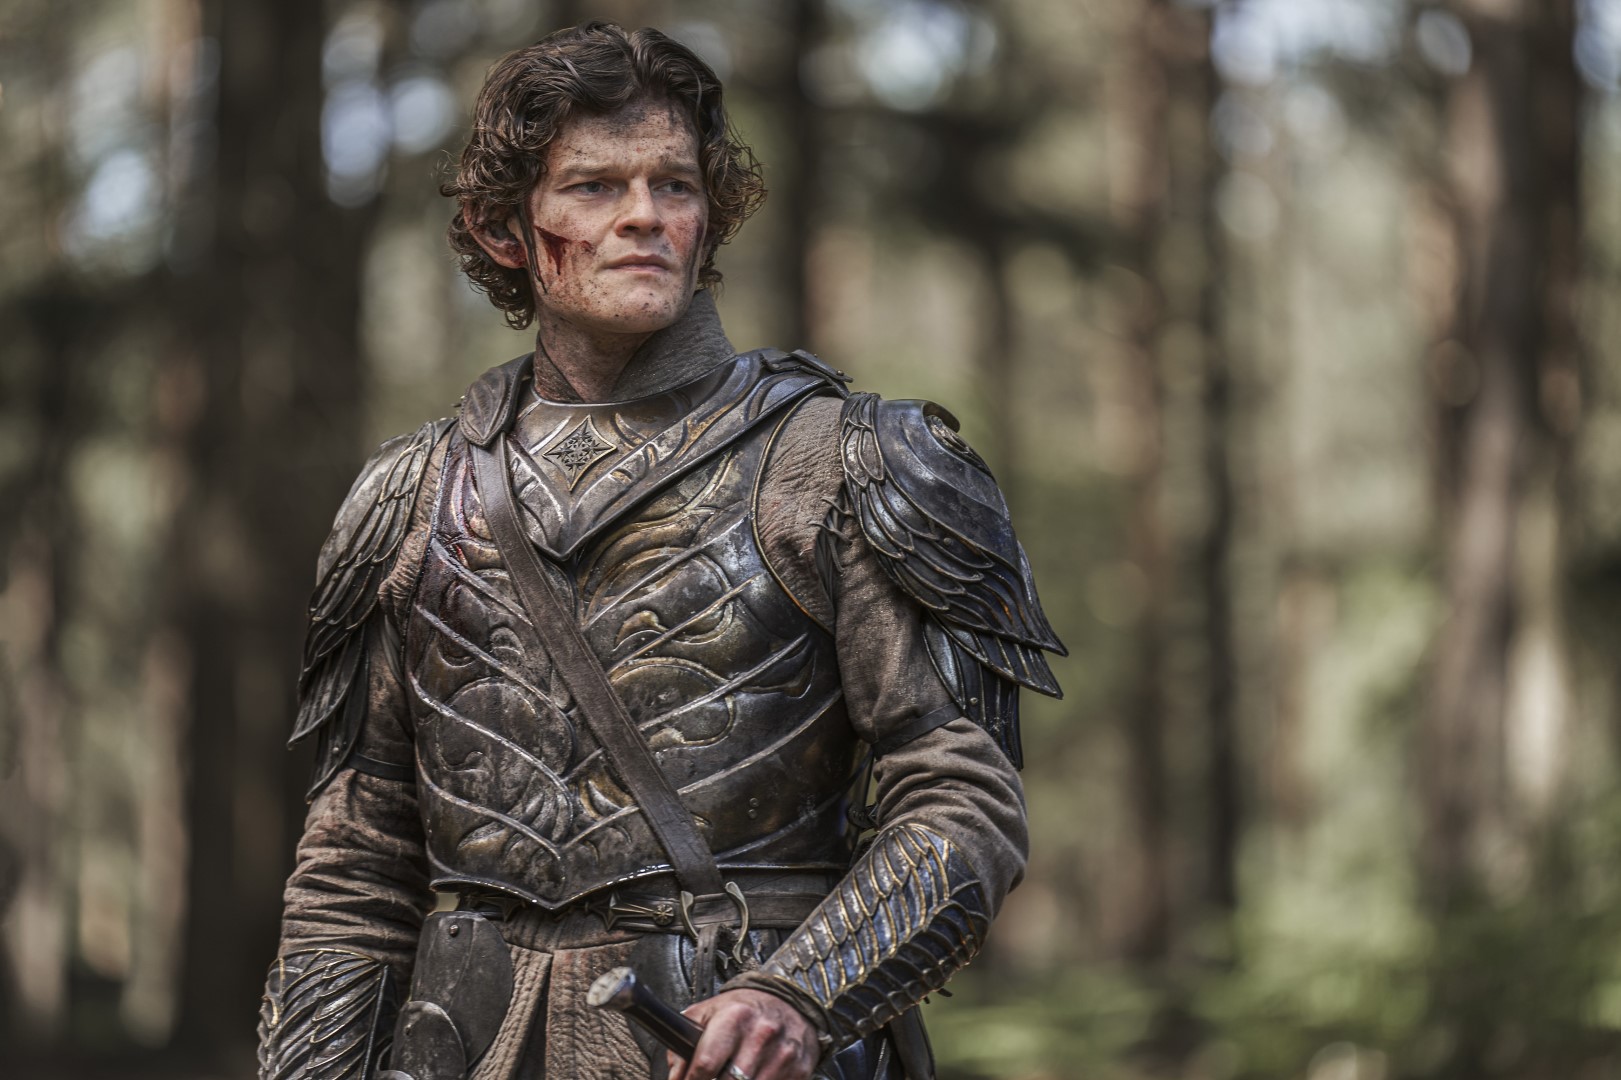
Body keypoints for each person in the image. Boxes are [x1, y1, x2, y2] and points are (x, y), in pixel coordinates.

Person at [256, 21, 1063, 1080]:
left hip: (739, 1056)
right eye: (594, 186)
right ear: (503, 229)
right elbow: (354, 871)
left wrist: (800, 993)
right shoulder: (410, 497)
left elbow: (962, 797)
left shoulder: (848, 463)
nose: (644, 214)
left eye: (673, 184)